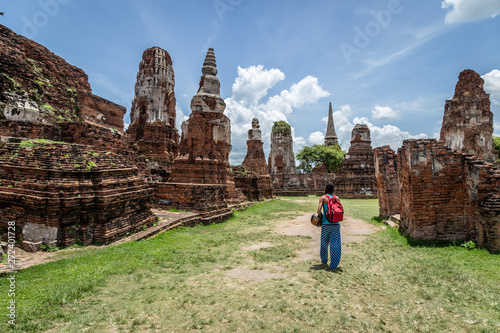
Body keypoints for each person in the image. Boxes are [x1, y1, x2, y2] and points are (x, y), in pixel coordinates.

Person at [316, 182, 341, 270]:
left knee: (324, 243)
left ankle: (324, 260)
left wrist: (321, 216)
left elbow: (318, 211)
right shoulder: (336, 198)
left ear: (326, 188)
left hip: (326, 224)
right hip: (336, 224)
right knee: (335, 244)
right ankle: (334, 264)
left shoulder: (323, 198)